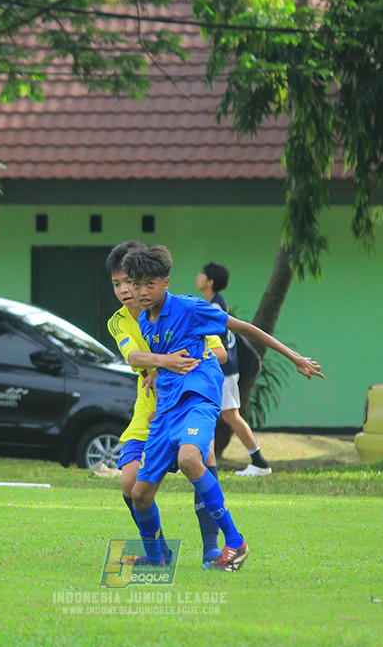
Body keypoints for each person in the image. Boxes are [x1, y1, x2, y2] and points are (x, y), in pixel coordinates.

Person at [122, 244, 324, 572]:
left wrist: (294, 357)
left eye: (150, 283)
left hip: (199, 398)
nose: (142, 291)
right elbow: (169, 354)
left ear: (166, 283)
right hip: (166, 408)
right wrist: (158, 372)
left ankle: (234, 539)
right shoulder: (145, 322)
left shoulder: (190, 308)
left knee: (190, 458)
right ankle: (156, 557)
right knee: (139, 494)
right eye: (136, 283)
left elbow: (243, 327)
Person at [105, 241, 228, 567]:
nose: (125, 290)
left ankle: (212, 548)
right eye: (117, 283)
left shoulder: (181, 308)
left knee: (204, 452)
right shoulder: (119, 321)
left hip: (185, 400)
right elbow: (133, 356)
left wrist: (172, 367)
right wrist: (162, 364)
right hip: (149, 410)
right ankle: (159, 553)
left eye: (128, 282)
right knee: (129, 482)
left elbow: (220, 352)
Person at [196, 262, 271, 477]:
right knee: (227, 416)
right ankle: (257, 461)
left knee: (228, 416)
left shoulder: (215, 307)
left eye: (202, 274)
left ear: (210, 282)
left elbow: (216, 343)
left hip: (224, 370)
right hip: (223, 370)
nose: (198, 276)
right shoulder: (214, 303)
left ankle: (259, 462)